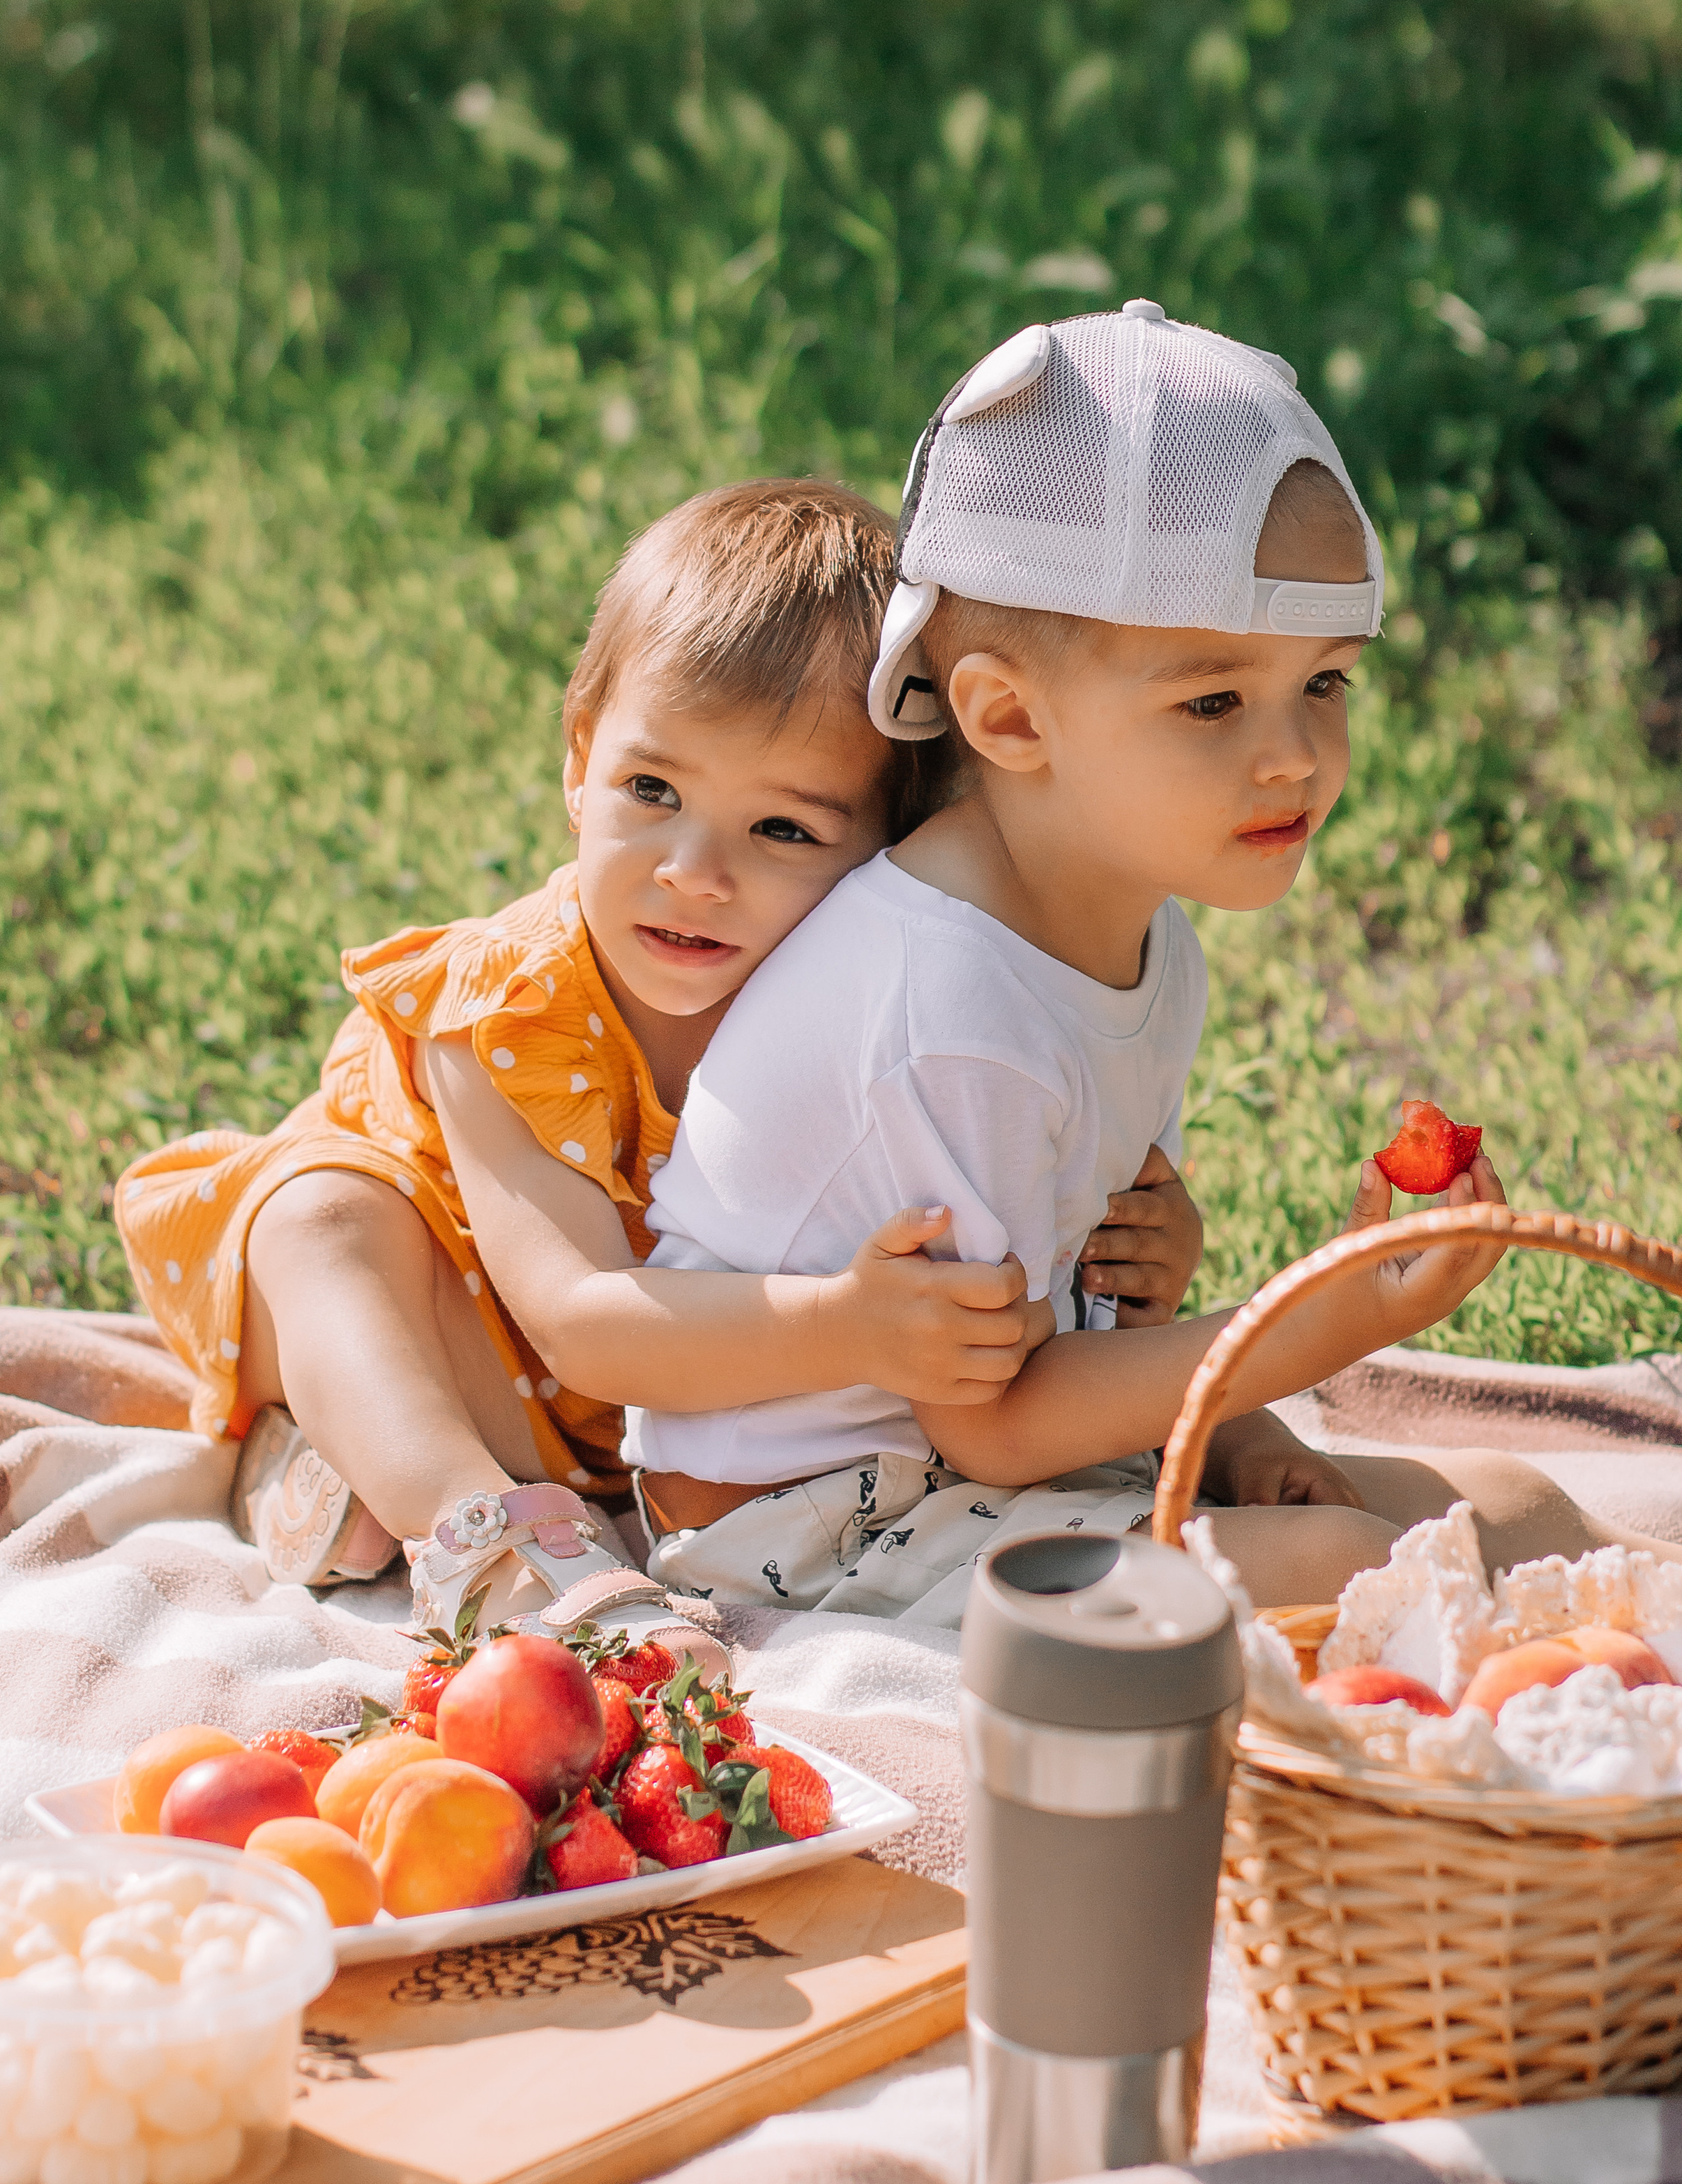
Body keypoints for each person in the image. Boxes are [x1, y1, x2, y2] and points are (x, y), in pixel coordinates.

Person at [629, 304, 1679, 1622]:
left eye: (1327, 684)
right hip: (810, 1516)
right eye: (1213, 702)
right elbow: (997, 1432)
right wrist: (1321, 1326)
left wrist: (1241, 1430)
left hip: (991, 1445)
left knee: (1514, 1514)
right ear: (1010, 717)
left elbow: (1100, 1286)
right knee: (1355, 1578)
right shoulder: (950, 1006)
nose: (1294, 754)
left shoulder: (1142, 930)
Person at [114, 479, 1177, 1653]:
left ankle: (329, 1468)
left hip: (636, 1408)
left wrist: (1130, 1260)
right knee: (322, 1221)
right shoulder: (512, 1006)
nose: (693, 871)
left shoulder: (872, 1007)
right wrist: (849, 1326)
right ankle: (477, 1543)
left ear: (892, 849)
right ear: (581, 759)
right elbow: (577, 1319)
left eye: (784, 830)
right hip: (464, 1313)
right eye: (652, 791)